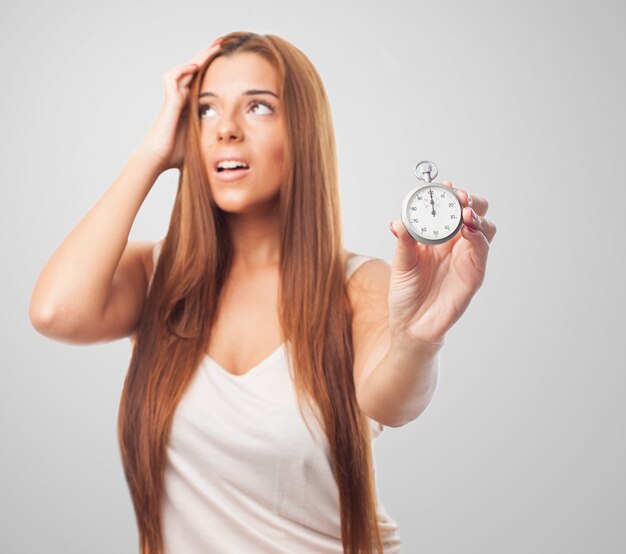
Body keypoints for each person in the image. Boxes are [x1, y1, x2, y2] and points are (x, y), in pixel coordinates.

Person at [28, 31, 496, 554]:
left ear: (302, 130)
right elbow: (53, 312)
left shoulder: (360, 287)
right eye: (205, 110)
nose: (225, 129)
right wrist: (154, 152)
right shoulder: (154, 275)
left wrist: (417, 339)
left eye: (257, 107)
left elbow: (392, 402)